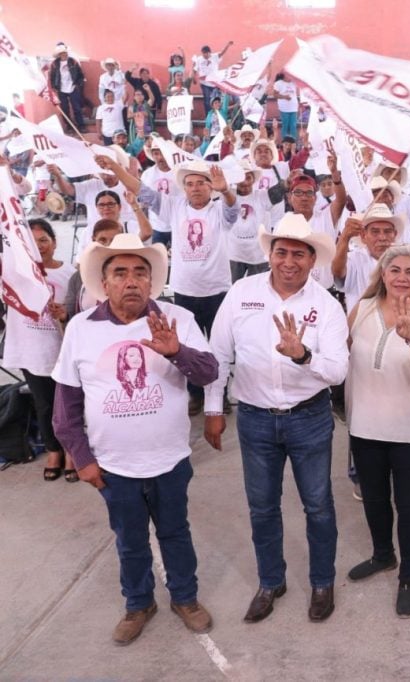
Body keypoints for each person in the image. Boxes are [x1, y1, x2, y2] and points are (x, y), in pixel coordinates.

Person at [52, 234, 217, 645]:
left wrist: (177, 352)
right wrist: (82, 458)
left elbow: (209, 373)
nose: (131, 281)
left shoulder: (177, 318)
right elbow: (65, 407)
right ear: (104, 283)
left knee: (175, 533)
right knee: (130, 541)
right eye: (120, 273)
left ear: (152, 281)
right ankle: (139, 603)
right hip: (113, 466)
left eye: (140, 273)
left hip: (170, 459)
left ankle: (185, 598)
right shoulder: (81, 328)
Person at [203, 214, 347, 623]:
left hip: (309, 418)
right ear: (269, 254)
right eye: (281, 252)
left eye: (299, 254)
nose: (288, 261)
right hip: (255, 419)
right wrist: (213, 408)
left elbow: (338, 371)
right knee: (262, 507)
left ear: (312, 260)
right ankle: (271, 581)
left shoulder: (326, 305)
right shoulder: (241, 293)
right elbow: (219, 354)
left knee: (318, 506)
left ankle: (322, 582)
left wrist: (302, 355)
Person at [346, 245, 410, 618]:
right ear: (383, 275)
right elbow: (339, 357)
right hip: (364, 426)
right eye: (395, 270)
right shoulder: (361, 309)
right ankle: (383, 555)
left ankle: (409, 576)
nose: (402, 277)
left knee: (409, 505)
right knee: (373, 499)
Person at [99, 157, 239, 415]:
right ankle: (196, 393)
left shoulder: (219, 209)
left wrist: (227, 191)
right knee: (187, 346)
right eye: (190, 184)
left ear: (211, 186)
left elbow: (232, 210)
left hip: (217, 290)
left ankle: (218, 396)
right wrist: (115, 167)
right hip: (185, 290)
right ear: (184, 188)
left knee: (218, 348)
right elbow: (141, 189)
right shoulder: (174, 206)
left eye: (201, 183)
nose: (195, 188)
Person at [2, 220, 74, 481]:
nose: (39, 247)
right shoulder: (13, 274)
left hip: (63, 351)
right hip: (31, 351)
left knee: (67, 405)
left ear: (54, 242)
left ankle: (72, 450)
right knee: (44, 404)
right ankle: (54, 450)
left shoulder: (70, 273)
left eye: (43, 240)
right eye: (31, 242)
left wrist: (65, 314)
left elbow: (81, 312)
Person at [49, 42, 85, 131]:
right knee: (64, 109)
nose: (64, 54)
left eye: (65, 52)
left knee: (77, 108)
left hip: (73, 87)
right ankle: (69, 127)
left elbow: (80, 74)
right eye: (62, 53)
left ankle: (81, 126)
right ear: (59, 54)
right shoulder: (54, 64)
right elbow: (52, 76)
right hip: (61, 89)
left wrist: (78, 84)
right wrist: (54, 87)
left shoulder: (73, 61)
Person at [273, 73, 299, 140]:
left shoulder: (294, 83)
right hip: (284, 108)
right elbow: (275, 95)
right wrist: (284, 97)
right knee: (285, 126)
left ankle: (293, 143)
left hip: (293, 107)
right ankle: (285, 143)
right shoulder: (278, 83)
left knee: (293, 126)